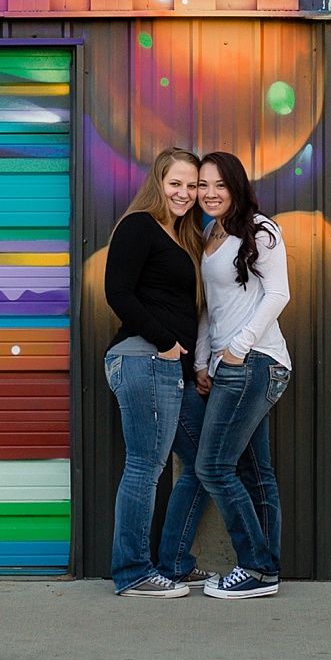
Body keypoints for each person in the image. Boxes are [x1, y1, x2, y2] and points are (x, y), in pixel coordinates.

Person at [158, 150, 292, 600]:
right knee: (255, 472)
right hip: (227, 367)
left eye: (219, 185)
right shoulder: (211, 233)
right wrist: (202, 361)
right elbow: (209, 309)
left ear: (236, 187)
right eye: (203, 186)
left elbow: (278, 294)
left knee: (213, 466)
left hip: (256, 362)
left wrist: (236, 349)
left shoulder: (261, 229)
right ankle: (265, 569)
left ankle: (255, 568)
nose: (209, 194)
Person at [102, 147, 205, 597]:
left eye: (192, 185)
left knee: (206, 463)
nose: (184, 193)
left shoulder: (182, 234)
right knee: (145, 467)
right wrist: (166, 344)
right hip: (145, 358)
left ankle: (174, 563)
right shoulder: (139, 225)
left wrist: (189, 361)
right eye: (175, 183)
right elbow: (118, 293)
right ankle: (133, 573)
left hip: (171, 369)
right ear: (158, 182)